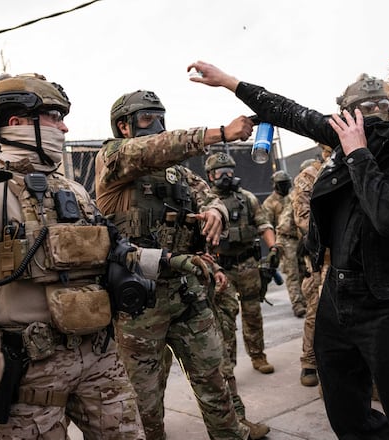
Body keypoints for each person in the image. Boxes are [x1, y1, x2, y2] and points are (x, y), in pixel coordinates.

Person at [188, 41, 389, 440]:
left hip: (386, 305)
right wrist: (230, 82)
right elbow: (295, 114)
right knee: (346, 413)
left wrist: (357, 154)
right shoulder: (367, 132)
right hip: (334, 296)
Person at [0, 72, 211, 439]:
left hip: (100, 359)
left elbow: (117, 248)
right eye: (54, 117)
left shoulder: (73, 190)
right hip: (32, 371)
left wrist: (169, 262)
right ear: (17, 122)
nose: (64, 128)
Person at [94, 89, 268, 440]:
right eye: (146, 119)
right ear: (123, 127)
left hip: (186, 292)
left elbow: (208, 196)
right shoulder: (113, 157)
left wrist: (216, 211)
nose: (156, 125)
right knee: (145, 396)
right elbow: (156, 148)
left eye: (160, 118)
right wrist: (221, 132)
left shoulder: (177, 175)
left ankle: (232, 431)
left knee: (214, 373)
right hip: (139, 301)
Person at [204, 152, 279, 377]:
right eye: (220, 172)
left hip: (247, 264)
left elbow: (263, 224)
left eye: (229, 171)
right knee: (225, 319)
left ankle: (258, 355)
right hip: (221, 268)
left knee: (253, 312)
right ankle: (227, 367)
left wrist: (273, 248)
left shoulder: (247, 198)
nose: (226, 176)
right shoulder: (206, 202)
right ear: (210, 176)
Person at [291, 145, 332, 388]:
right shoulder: (310, 176)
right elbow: (303, 220)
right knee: (317, 312)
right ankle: (309, 361)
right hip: (323, 258)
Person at [262, 170, 307, 318]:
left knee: (303, 270)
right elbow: (267, 225)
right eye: (282, 184)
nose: (284, 186)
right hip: (285, 241)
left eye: (286, 183)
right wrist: (275, 247)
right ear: (275, 185)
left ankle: (306, 299)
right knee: (292, 273)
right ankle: (297, 304)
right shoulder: (269, 203)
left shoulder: (291, 197)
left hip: (299, 238)